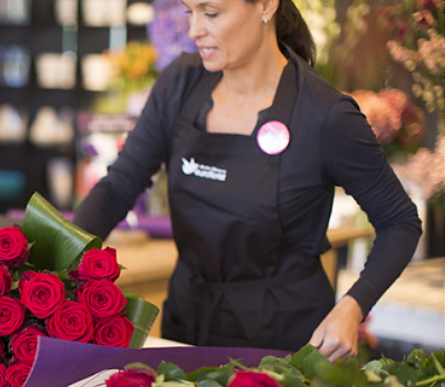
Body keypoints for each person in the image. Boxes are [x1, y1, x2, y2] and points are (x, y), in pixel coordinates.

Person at [73, 0, 422, 362]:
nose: (194, 30)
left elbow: (400, 222)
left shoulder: (326, 115)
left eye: (211, 13)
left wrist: (352, 307)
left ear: (266, 5)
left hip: (282, 343)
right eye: (188, 12)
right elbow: (119, 186)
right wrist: (56, 262)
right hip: (186, 324)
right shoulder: (180, 83)